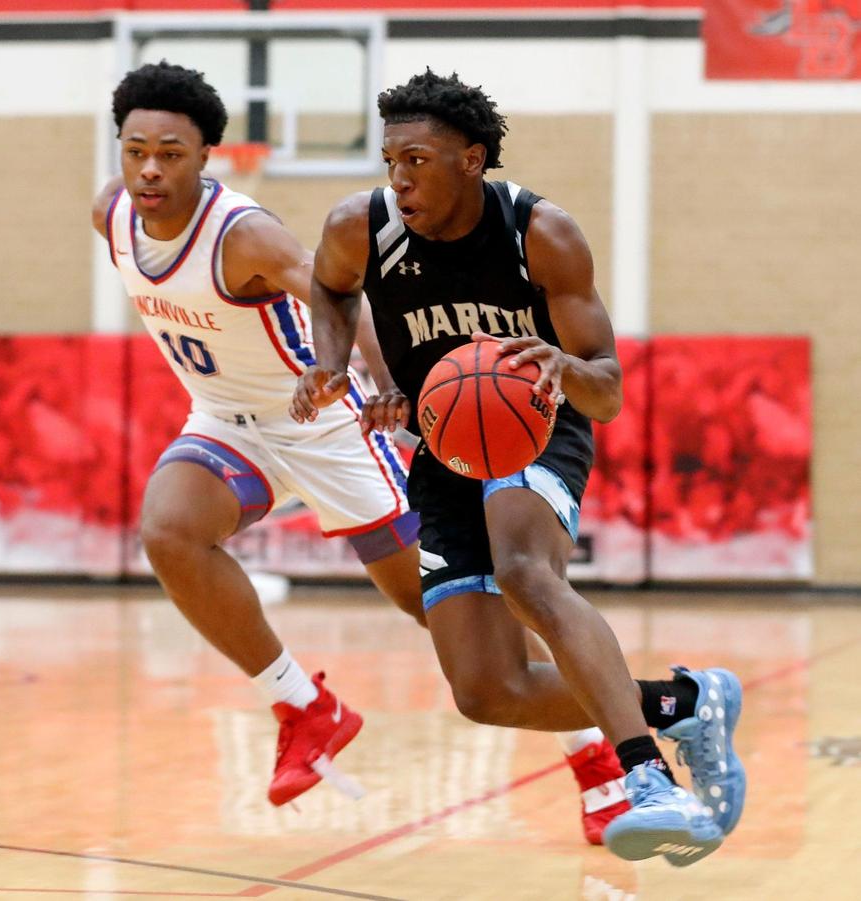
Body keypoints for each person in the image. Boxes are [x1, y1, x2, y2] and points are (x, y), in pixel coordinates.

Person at [94, 62, 629, 839]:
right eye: (135, 148)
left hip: (325, 425)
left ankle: (596, 751)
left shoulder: (244, 232)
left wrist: (380, 384)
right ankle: (304, 707)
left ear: (206, 154)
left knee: (451, 613)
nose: (148, 167)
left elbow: (344, 293)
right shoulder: (110, 216)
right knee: (168, 531)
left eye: (169, 152)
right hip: (224, 418)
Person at [292, 69, 746, 865]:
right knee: (486, 691)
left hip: (541, 423)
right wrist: (346, 368)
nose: (399, 178)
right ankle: (685, 702)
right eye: (391, 160)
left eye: (419, 160)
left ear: (472, 159)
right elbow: (330, 292)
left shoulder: (540, 233)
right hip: (445, 444)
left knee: (526, 571)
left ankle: (648, 778)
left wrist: (563, 369)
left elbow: (606, 391)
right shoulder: (360, 228)